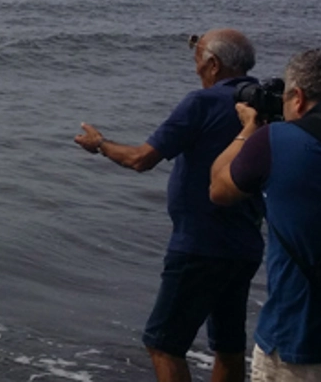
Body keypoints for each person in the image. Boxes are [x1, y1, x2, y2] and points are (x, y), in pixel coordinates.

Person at [74, 29, 264, 382]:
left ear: (213, 64)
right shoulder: (263, 105)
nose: (195, 69)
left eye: (198, 59)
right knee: (229, 346)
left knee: (163, 345)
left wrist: (100, 144)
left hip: (200, 244)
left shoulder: (201, 103)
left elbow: (141, 159)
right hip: (246, 243)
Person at [210, 47, 321, 380]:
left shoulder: (278, 140)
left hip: (302, 342)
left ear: (298, 97)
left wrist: (249, 130)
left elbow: (219, 189)